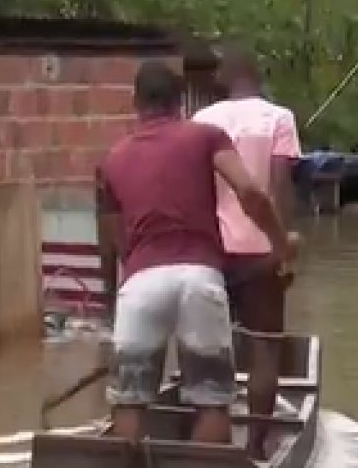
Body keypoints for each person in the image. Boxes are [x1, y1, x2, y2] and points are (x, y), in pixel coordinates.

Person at [96, 61, 294, 447]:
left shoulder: (112, 159)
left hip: (139, 284)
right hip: (199, 278)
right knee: (211, 402)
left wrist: (113, 302)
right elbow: (250, 193)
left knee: (129, 403)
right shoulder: (206, 137)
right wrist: (281, 242)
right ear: (181, 102)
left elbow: (111, 241)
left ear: (135, 102)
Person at [191, 46, 302, 459]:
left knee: (206, 348)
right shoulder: (279, 118)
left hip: (211, 252)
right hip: (261, 253)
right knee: (265, 348)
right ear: (257, 76)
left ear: (225, 77)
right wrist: (284, 248)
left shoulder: (202, 120)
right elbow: (279, 190)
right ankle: (256, 447)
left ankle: (206, 437)